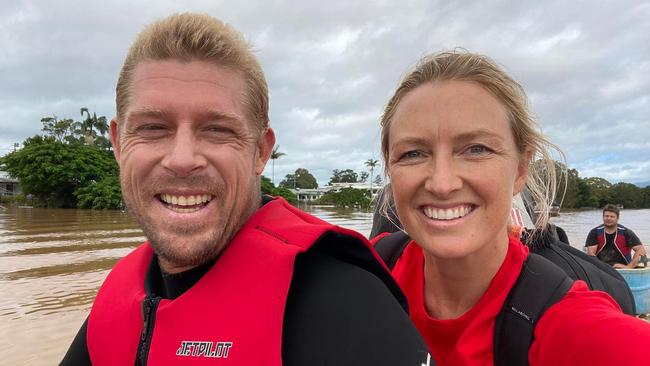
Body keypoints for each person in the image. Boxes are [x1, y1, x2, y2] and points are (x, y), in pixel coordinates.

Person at [59, 13, 431, 366]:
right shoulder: (120, 294)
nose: (183, 158)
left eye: (217, 130)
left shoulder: (345, 303)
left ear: (261, 151)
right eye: (154, 128)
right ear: (119, 144)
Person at [373, 50, 650, 365]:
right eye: (412, 153)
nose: (441, 183)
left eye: (477, 149)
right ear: (390, 170)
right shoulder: (365, 269)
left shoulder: (561, 317)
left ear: (520, 170)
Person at [585, 204, 646, 268]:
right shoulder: (594, 232)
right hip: (601, 268)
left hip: (624, 267)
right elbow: (591, 254)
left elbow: (641, 251)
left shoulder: (626, 233)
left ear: (617, 218)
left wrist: (629, 267)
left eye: (612, 216)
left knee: (643, 261)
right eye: (606, 216)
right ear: (603, 217)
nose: (609, 218)